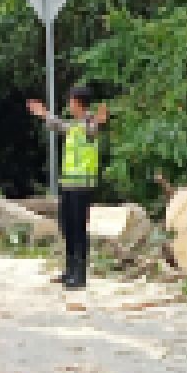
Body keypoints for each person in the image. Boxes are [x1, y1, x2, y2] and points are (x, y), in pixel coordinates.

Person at [26, 85, 108, 288]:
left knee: (79, 229)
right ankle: (70, 269)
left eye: (71, 101)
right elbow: (58, 125)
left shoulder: (89, 124)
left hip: (83, 186)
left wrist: (99, 121)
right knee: (67, 227)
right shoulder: (75, 125)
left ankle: (80, 275)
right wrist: (44, 114)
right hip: (69, 185)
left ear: (79, 103)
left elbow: (93, 129)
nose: (69, 104)